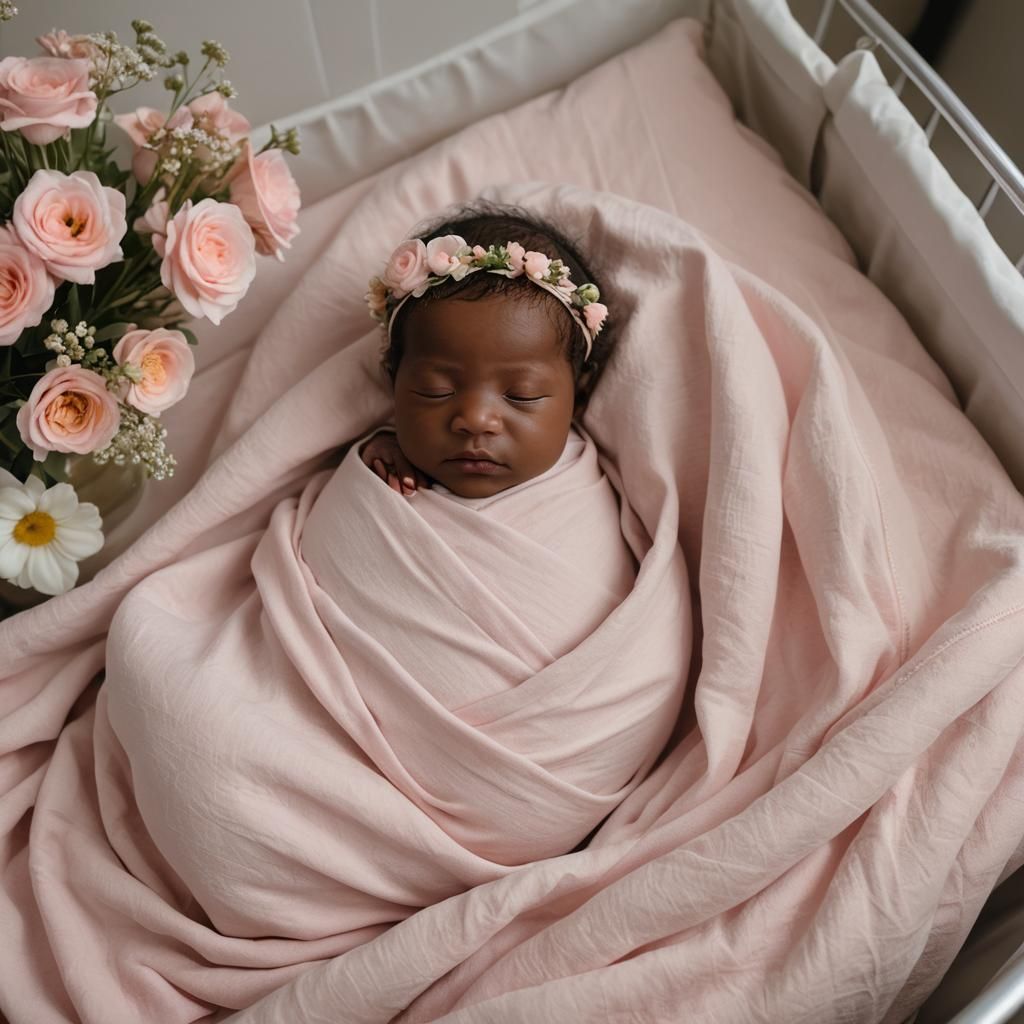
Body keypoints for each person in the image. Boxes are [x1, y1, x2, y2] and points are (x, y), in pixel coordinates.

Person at [359, 203, 613, 502]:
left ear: (579, 397)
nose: (476, 419)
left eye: (522, 395)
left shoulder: (593, 486)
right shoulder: (387, 468)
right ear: (394, 380)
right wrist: (374, 455)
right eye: (435, 391)